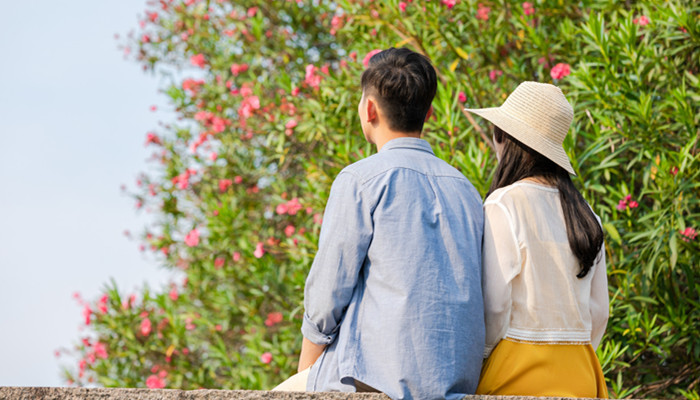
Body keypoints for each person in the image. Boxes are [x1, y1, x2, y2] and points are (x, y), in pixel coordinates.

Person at [274, 47, 485, 399]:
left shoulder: (361, 180)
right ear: (429, 112)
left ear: (369, 110)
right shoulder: (467, 190)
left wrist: (306, 373)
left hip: (374, 377)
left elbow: (329, 292)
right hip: (456, 382)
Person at [464, 81, 609, 398]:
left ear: (504, 138)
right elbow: (599, 312)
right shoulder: (586, 215)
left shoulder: (504, 204)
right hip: (582, 371)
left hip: (516, 369)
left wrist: (485, 357)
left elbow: (497, 304)